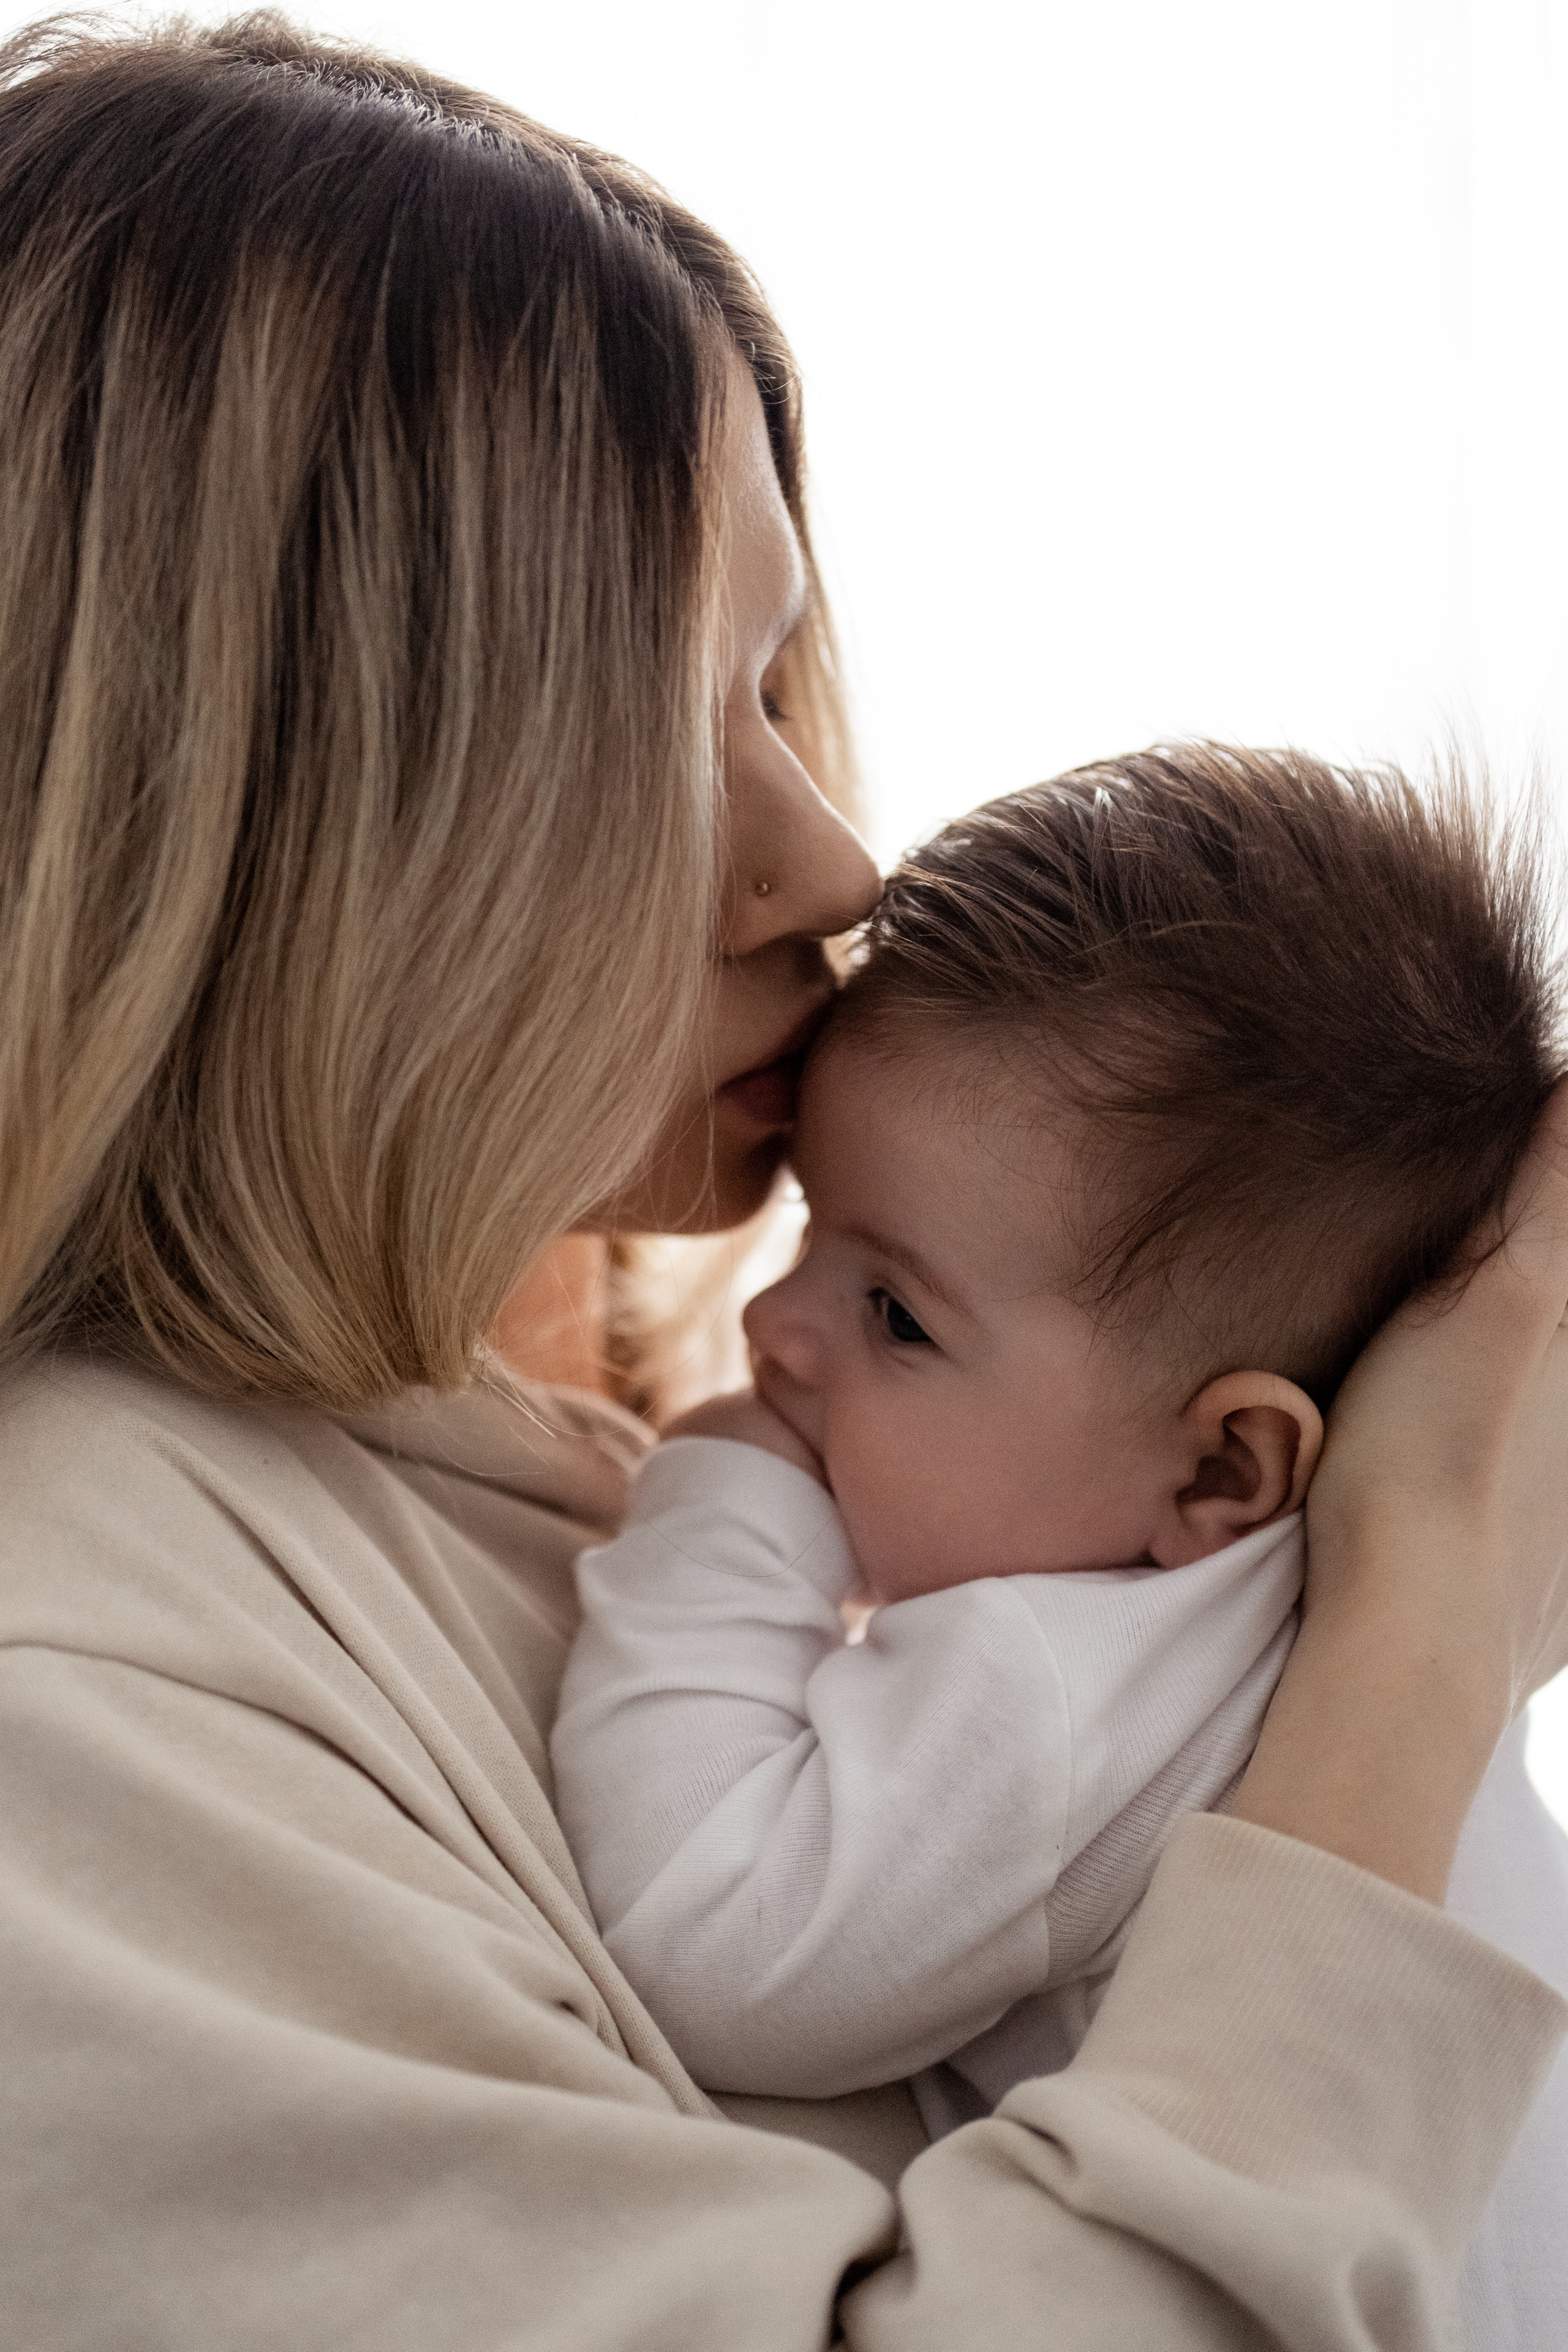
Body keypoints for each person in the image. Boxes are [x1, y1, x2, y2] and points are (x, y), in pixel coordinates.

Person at [0, 18, 1565, 2350]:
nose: (830, 850)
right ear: (280, 812)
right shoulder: (80, 1685)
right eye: (677, 704)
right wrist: (1423, 1639)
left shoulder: (539, 1483)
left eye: (778, 679)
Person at [551, 748, 1568, 2347]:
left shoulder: (1063, 1685)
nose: (772, 1324)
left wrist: (725, 1491)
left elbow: (706, 1922)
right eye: (813, 1233)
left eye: (893, 1311)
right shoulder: (1326, 1628)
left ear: (1229, 1468)